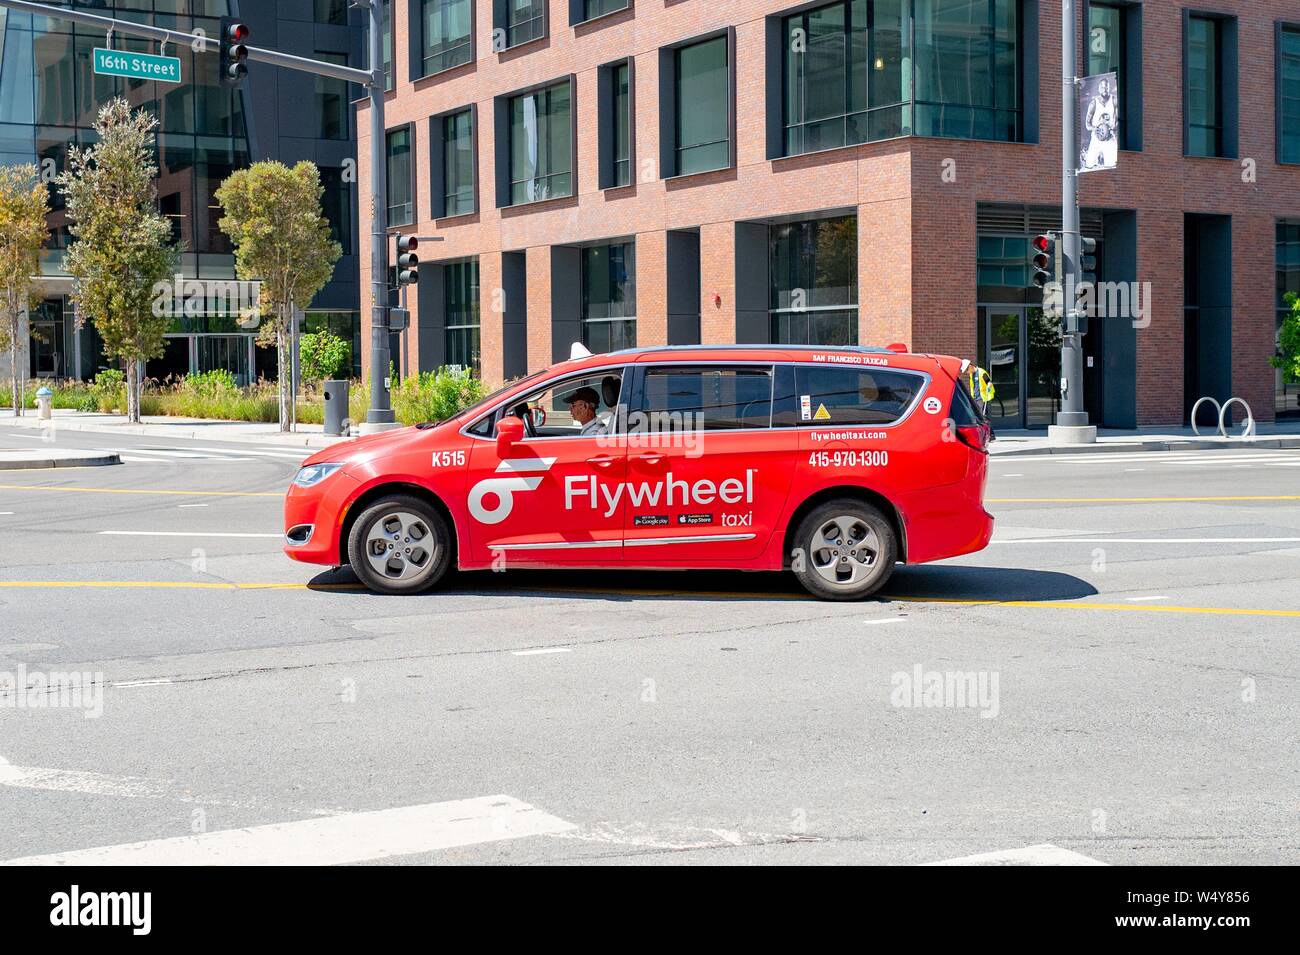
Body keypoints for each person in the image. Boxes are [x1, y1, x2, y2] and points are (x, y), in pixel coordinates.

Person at [1081, 78, 1118, 170]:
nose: (1104, 89)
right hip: (1096, 139)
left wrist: (1113, 127)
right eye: (1102, 87)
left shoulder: (1114, 100)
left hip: (1109, 138)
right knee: (1088, 166)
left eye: (1106, 87)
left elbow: (1118, 120)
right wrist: (1097, 128)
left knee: (1112, 167)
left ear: (1109, 88)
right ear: (1098, 89)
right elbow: (1087, 125)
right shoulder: (1094, 103)